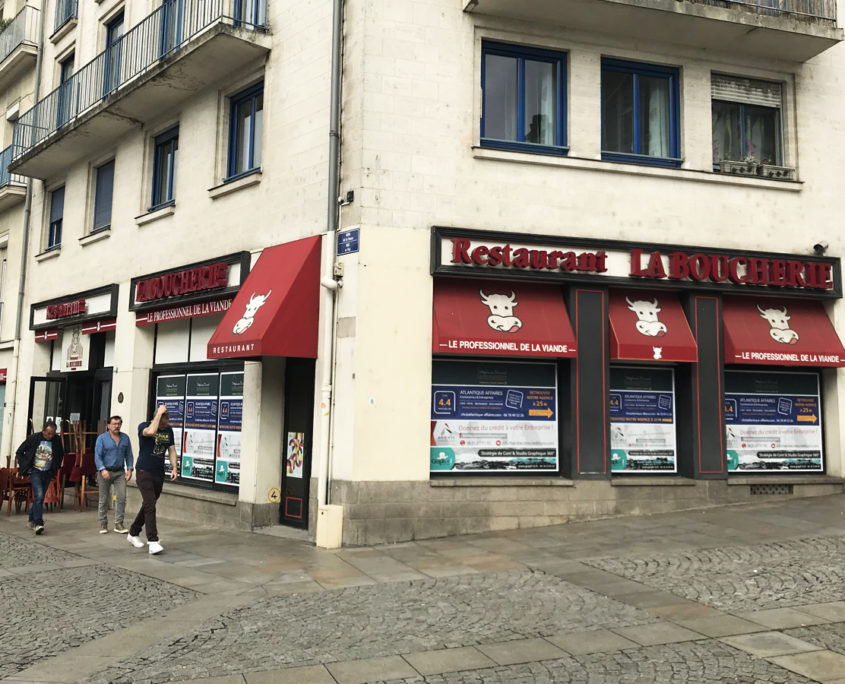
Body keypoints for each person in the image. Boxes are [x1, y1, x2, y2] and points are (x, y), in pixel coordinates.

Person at [128, 404, 177, 554]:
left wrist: (175, 467)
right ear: (157, 417)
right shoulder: (144, 426)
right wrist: (158, 414)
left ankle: (133, 533)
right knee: (150, 503)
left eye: (167, 421)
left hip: (159, 472)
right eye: (163, 421)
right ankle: (153, 540)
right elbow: (150, 432)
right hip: (144, 471)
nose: (165, 424)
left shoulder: (169, 430)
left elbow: (172, 449)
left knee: (149, 504)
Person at [15, 421, 64, 535]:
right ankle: (38, 523)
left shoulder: (56, 440)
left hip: (48, 472)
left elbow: (60, 454)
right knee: (40, 496)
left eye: (52, 434)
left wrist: (54, 469)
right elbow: (19, 452)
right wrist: (25, 467)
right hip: (35, 471)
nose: (50, 436)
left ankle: (31, 520)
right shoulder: (34, 438)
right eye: (48, 433)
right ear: (43, 431)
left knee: (39, 498)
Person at [94, 415, 134, 534]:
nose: (116, 426)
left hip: (120, 472)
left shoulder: (125, 438)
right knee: (103, 499)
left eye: (118, 424)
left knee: (121, 497)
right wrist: (102, 469)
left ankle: (119, 523)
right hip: (105, 471)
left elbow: (129, 455)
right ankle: (103, 523)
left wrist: (130, 469)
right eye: (114, 424)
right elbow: (97, 456)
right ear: (108, 426)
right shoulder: (102, 438)